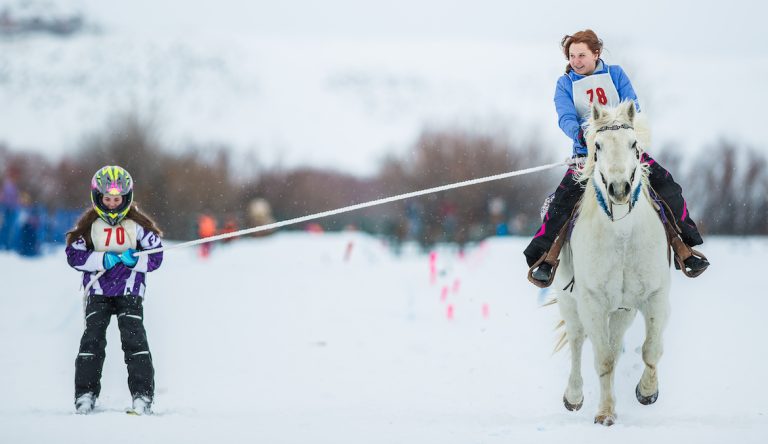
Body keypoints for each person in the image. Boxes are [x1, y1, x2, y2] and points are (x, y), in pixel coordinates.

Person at [524, 29, 709, 284]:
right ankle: (546, 257)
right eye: (572, 55)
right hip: (587, 156)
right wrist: (581, 135)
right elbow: (565, 117)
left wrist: (620, 129)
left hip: (626, 153)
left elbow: (633, 105)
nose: (575, 61)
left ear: (596, 53)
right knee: (562, 203)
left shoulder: (615, 74)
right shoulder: (564, 84)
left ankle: (684, 249)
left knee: (667, 186)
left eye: (581, 55)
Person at [65, 166, 164, 415]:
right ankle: (85, 394)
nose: (111, 204)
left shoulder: (138, 225)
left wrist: (135, 261)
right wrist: (101, 260)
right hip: (97, 291)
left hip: (129, 292)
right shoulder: (89, 226)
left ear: (126, 198)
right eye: (107, 199)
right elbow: (74, 256)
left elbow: (156, 256)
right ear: (98, 198)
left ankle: (142, 396)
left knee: (134, 341)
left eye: (117, 199)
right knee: (92, 342)